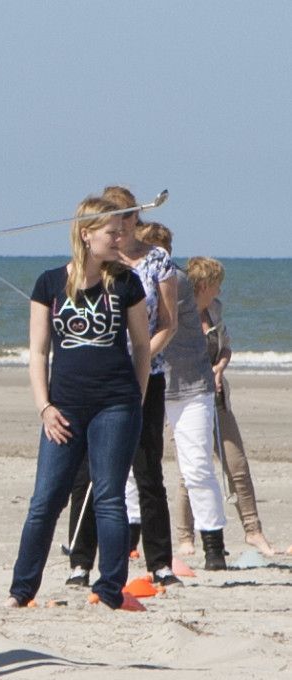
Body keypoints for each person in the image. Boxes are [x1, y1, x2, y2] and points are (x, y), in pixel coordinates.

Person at [6, 196, 150, 610]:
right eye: (113, 231)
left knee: (109, 496)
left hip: (116, 405)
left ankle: (109, 590)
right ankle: (22, 590)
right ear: (87, 234)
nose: (122, 237)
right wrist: (44, 407)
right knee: (46, 500)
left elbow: (142, 345)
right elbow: (38, 352)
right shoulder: (49, 283)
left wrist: (135, 400)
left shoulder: (126, 282)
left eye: (124, 230)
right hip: (63, 408)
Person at [64, 186, 181, 588]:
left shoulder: (156, 261)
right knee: (88, 472)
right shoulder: (99, 264)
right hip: (100, 380)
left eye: (128, 216)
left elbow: (167, 323)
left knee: (147, 470)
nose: (122, 225)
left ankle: (160, 564)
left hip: (148, 377)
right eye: (114, 218)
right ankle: (80, 562)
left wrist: (140, 364)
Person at [180, 256, 276, 558]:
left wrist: (219, 367)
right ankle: (186, 537)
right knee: (192, 468)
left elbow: (226, 347)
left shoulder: (215, 310)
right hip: (186, 399)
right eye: (217, 284)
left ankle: (253, 531)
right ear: (203, 285)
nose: (219, 290)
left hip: (218, 398)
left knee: (237, 464)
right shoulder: (181, 313)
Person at [145, 225, 228, 570]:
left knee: (196, 466)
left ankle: (213, 547)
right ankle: (133, 540)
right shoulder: (129, 281)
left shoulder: (174, 281)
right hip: (151, 382)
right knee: (139, 466)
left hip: (190, 384)